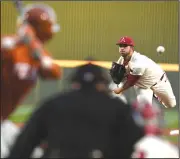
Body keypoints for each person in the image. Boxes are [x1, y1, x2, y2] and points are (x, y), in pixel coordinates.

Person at [7, 62, 144, 158]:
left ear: (74, 83)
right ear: (102, 84)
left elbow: (22, 146)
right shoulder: (119, 108)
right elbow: (134, 143)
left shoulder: (52, 104)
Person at [1, 3, 62, 158]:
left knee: (32, 151)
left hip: (3, 118)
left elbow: (54, 72)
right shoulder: (10, 44)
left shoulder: (37, 52)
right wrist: (19, 40)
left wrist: (33, 44)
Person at [110, 36, 176, 108]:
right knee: (144, 108)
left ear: (131, 47)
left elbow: (131, 81)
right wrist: (117, 82)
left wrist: (119, 90)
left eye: (125, 46)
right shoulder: (122, 59)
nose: (122, 48)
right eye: (120, 46)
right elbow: (118, 74)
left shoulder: (138, 61)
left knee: (171, 104)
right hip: (142, 86)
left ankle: (155, 94)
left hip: (158, 82)